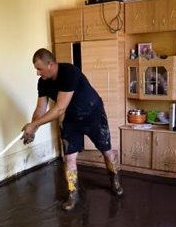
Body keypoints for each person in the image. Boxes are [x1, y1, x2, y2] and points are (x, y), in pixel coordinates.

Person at [22, 48, 123, 211]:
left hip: (93, 114)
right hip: (71, 120)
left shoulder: (69, 72)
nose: (37, 73)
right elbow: (41, 108)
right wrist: (32, 129)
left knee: (107, 151)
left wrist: (34, 125)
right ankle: (73, 194)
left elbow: (60, 108)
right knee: (69, 158)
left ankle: (115, 181)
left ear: (50, 64)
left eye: (39, 69)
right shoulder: (43, 82)